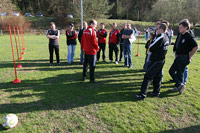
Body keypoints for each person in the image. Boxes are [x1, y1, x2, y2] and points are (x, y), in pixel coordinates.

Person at [135, 23, 169, 100]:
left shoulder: (161, 38)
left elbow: (151, 47)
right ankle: (156, 92)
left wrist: (151, 41)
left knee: (148, 77)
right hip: (161, 60)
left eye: (157, 29)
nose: (156, 31)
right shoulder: (166, 37)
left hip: (156, 60)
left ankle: (142, 94)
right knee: (157, 77)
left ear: (161, 29)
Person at [169, 20, 199, 94]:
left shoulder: (188, 36)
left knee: (176, 72)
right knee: (175, 72)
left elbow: (196, 47)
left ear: (186, 28)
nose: (179, 29)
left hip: (184, 57)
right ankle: (179, 86)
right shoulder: (180, 34)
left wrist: (190, 56)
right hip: (178, 56)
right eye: (179, 27)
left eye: (181, 27)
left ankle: (180, 86)